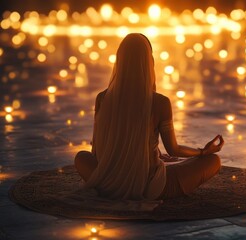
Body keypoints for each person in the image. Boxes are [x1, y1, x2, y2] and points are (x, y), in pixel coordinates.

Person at [74, 33, 224, 203]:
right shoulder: (159, 102)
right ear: (149, 62)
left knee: (81, 158)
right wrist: (203, 151)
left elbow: (98, 148)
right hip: (148, 186)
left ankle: (112, 185)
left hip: (108, 182)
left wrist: (150, 155)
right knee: (213, 161)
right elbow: (174, 149)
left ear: (119, 60)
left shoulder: (102, 98)